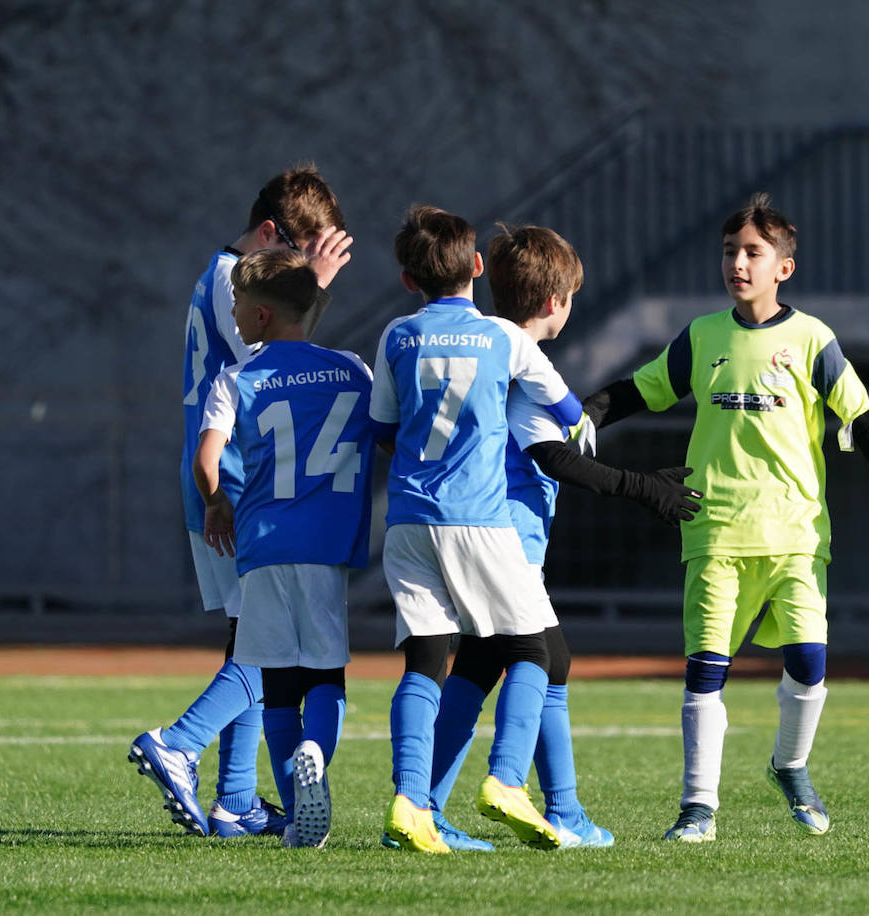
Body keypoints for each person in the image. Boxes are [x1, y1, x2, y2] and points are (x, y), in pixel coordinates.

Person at [582, 193, 869, 843]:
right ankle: (697, 808)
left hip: (797, 533)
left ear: (783, 269)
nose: (737, 263)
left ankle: (790, 766)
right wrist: (584, 413)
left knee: (809, 659)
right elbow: (642, 388)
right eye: (729, 252)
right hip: (713, 529)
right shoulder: (701, 337)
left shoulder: (813, 339)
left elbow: (862, 418)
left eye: (752, 253)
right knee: (706, 670)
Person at [415, 223, 702, 852]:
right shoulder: (519, 362)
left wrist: (595, 415)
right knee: (550, 659)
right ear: (557, 304)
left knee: (487, 661)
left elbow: (562, 426)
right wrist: (642, 486)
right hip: (502, 541)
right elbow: (551, 454)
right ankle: (549, 804)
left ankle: (427, 807)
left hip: (489, 535)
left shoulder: (495, 349)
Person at [129, 165, 351, 838]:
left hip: (233, 485)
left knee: (249, 638)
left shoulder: (222, 273)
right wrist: (311, 285)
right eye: (292, 254)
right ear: (266, 235)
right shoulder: (235, 280)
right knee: (266, 648)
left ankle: (236, 800)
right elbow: (270, 351)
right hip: (233, 488)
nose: (298, 270)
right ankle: (180, 742)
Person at [370, 205, 595, 854]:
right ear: (475, 267)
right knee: (533, 651)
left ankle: (412, 806)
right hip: (481, 519)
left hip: (409, 520)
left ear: (409, 281)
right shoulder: (506, 340)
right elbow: (566, 408)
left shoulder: (395, 337)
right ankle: (505, 782)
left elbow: (383, 430)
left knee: (424, 662)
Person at [193, 247, 375, 849]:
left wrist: (217, 502)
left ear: (263, 314)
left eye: (241, 305)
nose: (236, 316)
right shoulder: (352, 369)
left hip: (264, 545)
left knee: (275, 684)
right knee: (325, 676)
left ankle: (297, 816)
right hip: (327, 549)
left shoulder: (237, 377)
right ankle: (316, 755)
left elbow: (206, 459)